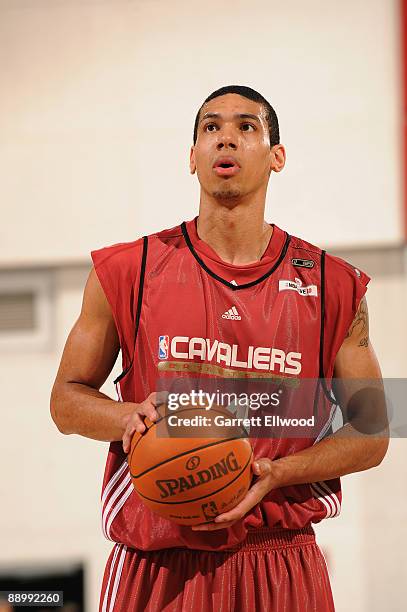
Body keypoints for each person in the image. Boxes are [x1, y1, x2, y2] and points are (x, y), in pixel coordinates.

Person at [50, 85, 388, 611]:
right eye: (210, 128)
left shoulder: (334, 285)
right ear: (192, 158)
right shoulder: (126, 270)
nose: (225, 138)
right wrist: (128, 419)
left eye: (246, 127)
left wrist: (278, 473)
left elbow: (374, 431)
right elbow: (65, 401)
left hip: (280, 559)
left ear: (277, 157)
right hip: (155, 560)